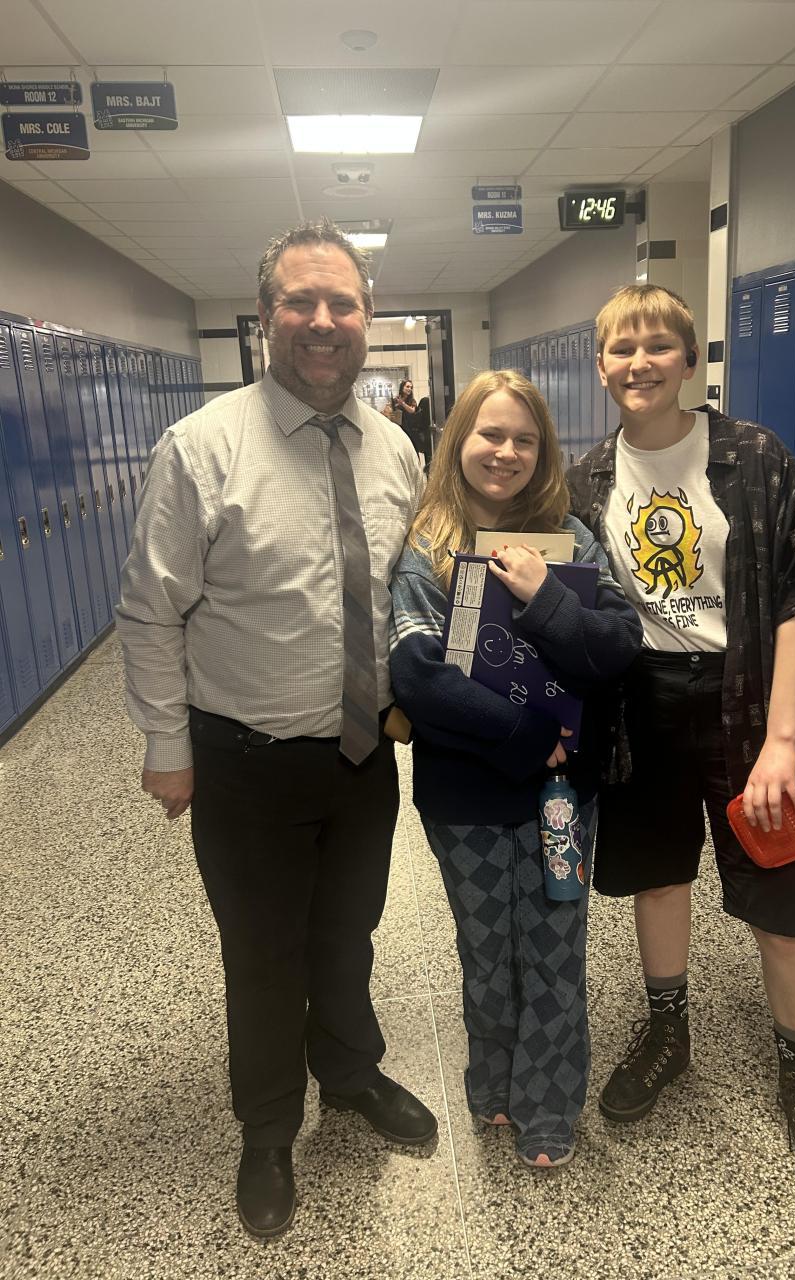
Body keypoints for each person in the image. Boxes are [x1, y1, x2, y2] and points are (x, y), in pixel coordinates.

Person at [115, 218, 436, 1240]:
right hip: (246, 763)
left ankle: (349, 1071)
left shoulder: (395, 448)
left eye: (343, 302)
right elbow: (150, 610)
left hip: (361, 758)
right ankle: (266, 1128)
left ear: (368, 318)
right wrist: (167, 745)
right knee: (262, 954)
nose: (323, 321)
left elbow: (413, 589)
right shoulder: (202, 448)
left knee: (348, 933)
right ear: (266, 316)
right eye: (301, 301)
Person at [566, 284, 795, 1200]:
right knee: (658, 876)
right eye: (622, 348)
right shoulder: (587, 479)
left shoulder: (754, 457)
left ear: (689, 360)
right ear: (601, 365)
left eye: (658, 345)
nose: (639, 363)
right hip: (641, 704)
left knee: (784, 897)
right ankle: (668, 1031)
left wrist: (782, 744)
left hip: (750, 702)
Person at [390, 369, 643, 1168]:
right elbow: (419, 677)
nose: (505, 452)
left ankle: (549, 1104)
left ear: (543, 451)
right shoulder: (428, 547)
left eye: (524, 440)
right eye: (490, 434)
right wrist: (530, 734)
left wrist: (546, 599)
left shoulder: (571, 540)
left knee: (555, 949)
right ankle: (493, 1084)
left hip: (560, 800)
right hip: (464, 796)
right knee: (485, 950)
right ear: (458, 439)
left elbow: (619, 645)